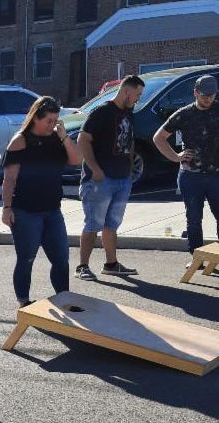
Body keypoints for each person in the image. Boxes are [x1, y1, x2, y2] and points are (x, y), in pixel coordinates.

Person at [1, 97, 82, 307]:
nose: (52, 125)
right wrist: (7, 208)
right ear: (36, 118)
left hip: (53, 210)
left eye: (56, 120)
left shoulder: (57, 138)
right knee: (27, 258)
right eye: (48, 120)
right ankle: (24, 301)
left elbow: (76, 160)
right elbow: (9, 179)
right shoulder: (20, 141)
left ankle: (64, 297)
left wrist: (64, 137)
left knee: (61, 258)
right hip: (26, 211)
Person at [75, 75, 145, 281]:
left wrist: (129, 168)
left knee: (112, 224)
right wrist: (95, 168)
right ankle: (82, 266)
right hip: (99, 180)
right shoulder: (102, 112)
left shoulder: (129, 113)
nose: (138, 99)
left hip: (122, 178)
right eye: (137, 94)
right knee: (93, 224)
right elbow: (83, 139)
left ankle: (111, 264)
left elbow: (130, 141)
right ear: (126, 91)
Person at [153, 74, 219, 267]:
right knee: (194, 218)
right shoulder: (184, 114)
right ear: (195, 93)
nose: (208, 98)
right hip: (191, 176)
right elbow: (159, 137)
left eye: (212, 95)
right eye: (204, 95)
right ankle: (196, 258)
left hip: (216, 174)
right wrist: (176, 156)